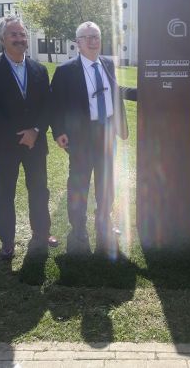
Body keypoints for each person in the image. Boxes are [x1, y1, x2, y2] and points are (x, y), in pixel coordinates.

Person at [51, 21, 136, 257]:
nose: (92, 41)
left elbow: (114, 89)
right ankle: (78, 228)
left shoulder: (108, 63)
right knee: (79, 184)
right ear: (77, 43)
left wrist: (142, 93)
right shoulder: (65, 70)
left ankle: (103, 221)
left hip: (108, 133)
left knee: (106, 182)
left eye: (96, 36)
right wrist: (58, 131)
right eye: (86, 37)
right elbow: (54, 104)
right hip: (81, 136)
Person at [0, 15, 58, 260]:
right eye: (14, 34)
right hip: (5, 147)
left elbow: (48, 106)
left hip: (36, 144)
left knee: (40, 190)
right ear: (2, 39)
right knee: (5, 195)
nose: (20, 39)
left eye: (22, 34)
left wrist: (36, 131)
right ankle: (7, 242)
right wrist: (18, 135)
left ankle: (42, 232)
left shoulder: (39, 70)